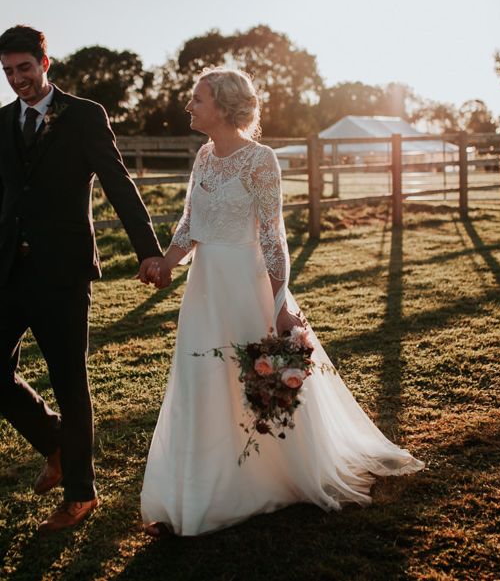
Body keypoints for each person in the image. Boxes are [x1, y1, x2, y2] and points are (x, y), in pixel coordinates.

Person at [140, 67, 423, 537]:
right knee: (201, 382)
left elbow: (273, 238)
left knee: (260, 385)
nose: (189, 106)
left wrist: (279, 305)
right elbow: (190, 224)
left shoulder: (261, 160)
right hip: (205, 289)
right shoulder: (204, 158)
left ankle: (272, 477)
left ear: (226, 107)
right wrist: (168, 263)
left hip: (248, 286)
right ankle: (196, 498)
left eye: (198, 99)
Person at [0, 25, 165, 533]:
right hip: (7, 270)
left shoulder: (85, 115)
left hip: (63, 271)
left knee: (71, 381)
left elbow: (118, 180)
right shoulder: (2, 122)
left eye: (24, 68)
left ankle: (80, 493)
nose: (17, 80)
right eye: (7, 72)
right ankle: (54, 443)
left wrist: (148, 251)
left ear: (45, 63)